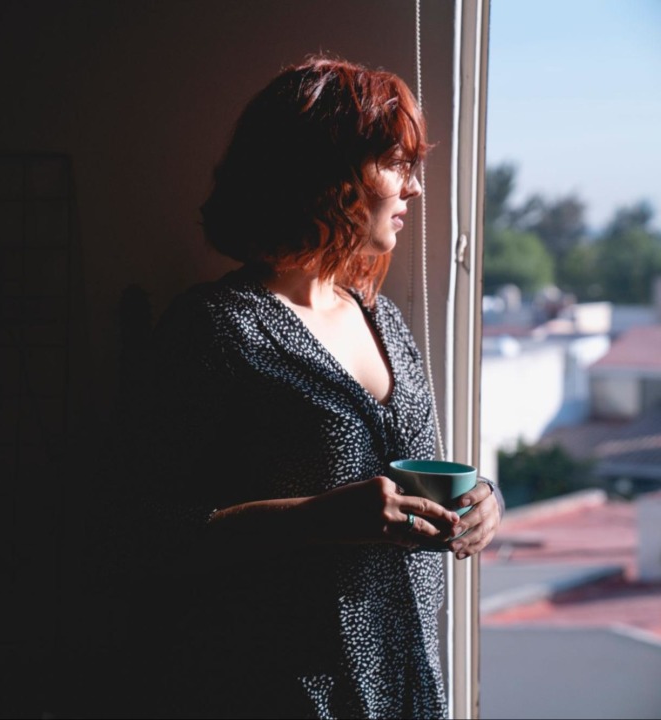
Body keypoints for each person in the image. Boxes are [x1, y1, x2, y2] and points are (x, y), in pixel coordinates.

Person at [108, 55, 503, 719]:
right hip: (280, 690)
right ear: (327, 173)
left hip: (407, 681)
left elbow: (415, 471)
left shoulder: (381, 317)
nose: (414, 189)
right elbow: (146, 534)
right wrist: (318, 518)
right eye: (394, 163)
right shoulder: (216, 328)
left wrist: (481, 500)